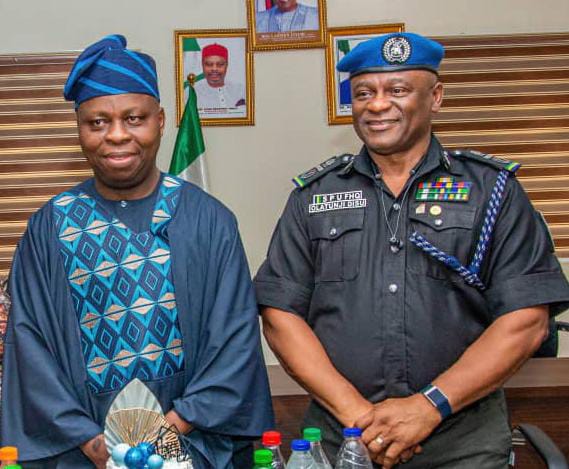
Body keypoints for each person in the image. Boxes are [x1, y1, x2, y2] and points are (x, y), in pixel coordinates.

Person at [254, 32, 569, 468]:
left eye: (397, 90)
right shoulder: (314, 196)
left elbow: (527, 319)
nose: (377, 105)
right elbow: (279, 314)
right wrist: (360, 419)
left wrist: (428, 406)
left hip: (464, 446)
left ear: (435, 97)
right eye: (364, 93)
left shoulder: (492, 191)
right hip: (344, 440)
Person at [1, 34, 273, 469]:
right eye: (97, 122)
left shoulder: (208, 220)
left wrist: (165, 438)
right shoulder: (49, 227)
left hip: (190, 438)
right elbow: (29, 345)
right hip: (83, 449)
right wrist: (96, 447)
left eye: (134, 118)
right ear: (79, 128)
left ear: (160, 121)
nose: (116, 136)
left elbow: (235, 339)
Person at [194, 43, 245, 112]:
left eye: (220, 64)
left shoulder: (240, 91)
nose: (214, 69)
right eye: (209, 64)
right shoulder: (192, 93)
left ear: (226, 65)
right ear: (202, 65)